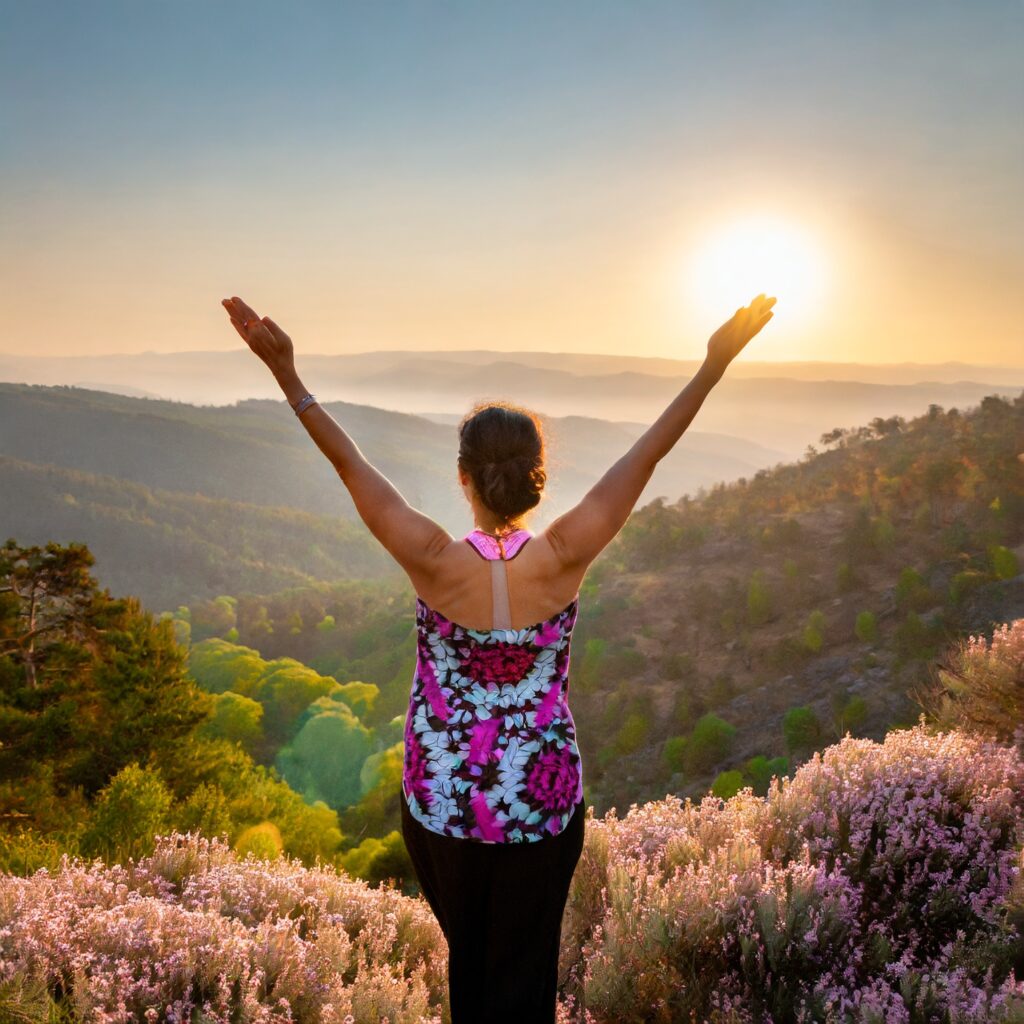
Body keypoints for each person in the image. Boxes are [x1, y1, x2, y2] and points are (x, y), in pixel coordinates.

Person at [221, 291, 776, 1022]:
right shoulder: (565, 556)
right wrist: (711, 366)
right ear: (537, 474)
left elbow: (350, 467)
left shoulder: (431, 559)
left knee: (471, 969)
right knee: (522, 980)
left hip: (442, 801)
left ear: (463, 477)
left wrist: (289, 376)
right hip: (540, 807)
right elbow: (647, 454)